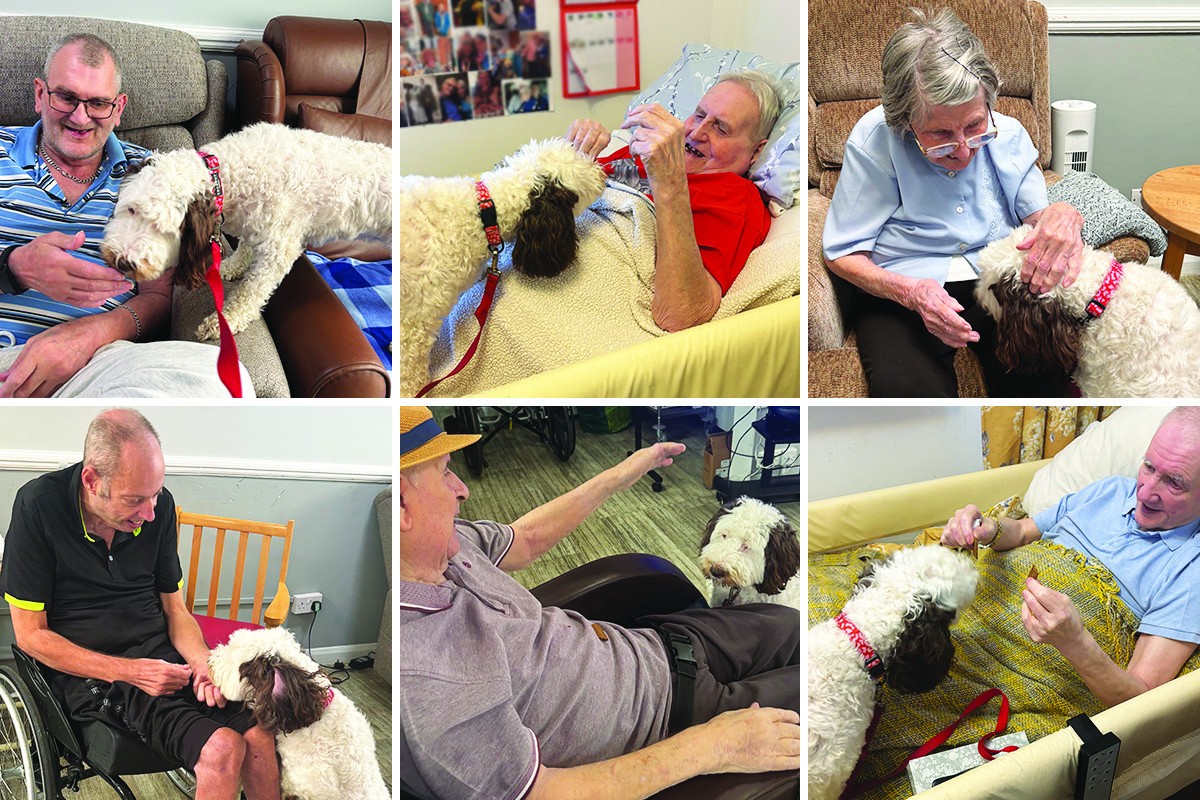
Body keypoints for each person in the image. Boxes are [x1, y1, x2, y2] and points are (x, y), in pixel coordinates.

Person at [398, 407, 800, 800]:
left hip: (659, 643)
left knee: (797, 627)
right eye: (446, 472)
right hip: (674, 719)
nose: (462, 489)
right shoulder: (428, 676)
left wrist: (619, 476)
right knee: (841, 674)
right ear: (402, 504)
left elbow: (527, 538)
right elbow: (542, 792)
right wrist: (716, 746)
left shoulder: (450, 544)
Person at [0, 409, 279, 800]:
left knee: (260, 736)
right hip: (92, 671)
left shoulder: (157, 509)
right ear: (92, 481)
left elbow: (175, 610)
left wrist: (202, 663)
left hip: (161, 657)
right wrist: (129, 671)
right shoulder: (38, 507)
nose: (149, 513)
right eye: (135, 500)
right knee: (221, 749)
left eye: (156, 494)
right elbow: (31, 637)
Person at [822, 9, 1085, 397]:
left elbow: (1038, 220)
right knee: (908, 395)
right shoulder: (875, 139)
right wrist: (912, 292)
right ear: (904, 120)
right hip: (901, 285)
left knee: (1045, 377)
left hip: (997, 276)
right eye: (940, 133)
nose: (963, 150)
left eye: (975, 125)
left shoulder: (1008, 132)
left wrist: (1064, 214)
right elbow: (842, 254)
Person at [0, 33, 252, 398]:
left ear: (119, 109)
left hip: (94, 367)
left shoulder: (152, 175)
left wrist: (89, 335)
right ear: (40, 95)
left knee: (221, 381)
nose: (80, 117)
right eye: (66, 97)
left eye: (98, 103)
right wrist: (14, 267)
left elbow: (159, 297)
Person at [940, 407, 1200, 708]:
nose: (1145, 493)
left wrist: (1075, 643)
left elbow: (1140, 702)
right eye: (1149, 467)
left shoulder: (1190, 569)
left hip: (1018, 676)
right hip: (964, 615)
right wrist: (988, 528)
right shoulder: (1109, 490)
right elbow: (1025, 531)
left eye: (1174, 483)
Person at [565, 69, 780, 331]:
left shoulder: (736, 197)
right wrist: (575, 153)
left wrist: (668, 179)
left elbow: (681, 314)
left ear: (757, 150)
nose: (697, 132)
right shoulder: (648, 150)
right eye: (699, 115)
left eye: (721, 129)